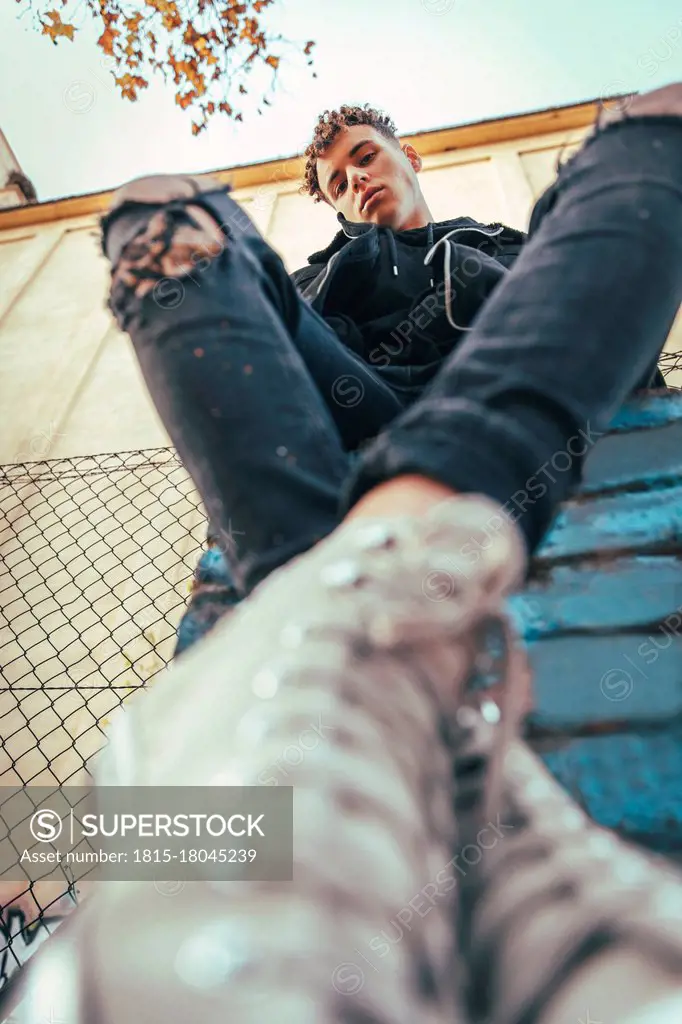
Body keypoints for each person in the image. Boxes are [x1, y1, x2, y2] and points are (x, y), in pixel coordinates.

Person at [167, 97, 667, 655]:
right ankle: (299, 617)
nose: (357, 179)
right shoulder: (309, 282)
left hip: (502, 395)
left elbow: (582, 319)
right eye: (339, 183)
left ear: (408, 157)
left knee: (643, 138)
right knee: (173, 227)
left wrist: (487, 282)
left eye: (366, 157)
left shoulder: (503, 245)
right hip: (362, 401)